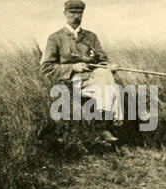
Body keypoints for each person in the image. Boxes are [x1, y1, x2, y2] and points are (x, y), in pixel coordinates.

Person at [41, 0, 123, 143]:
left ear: (82, 13)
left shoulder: (91, 37)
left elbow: (102, 60)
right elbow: (46, 67)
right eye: (72, 12)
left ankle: (100, 125)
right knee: (113, 89)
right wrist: (73, 67)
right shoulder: (55, 38)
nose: (76, 16)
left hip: (94, 78)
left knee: (106, 75)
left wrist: (109, 66)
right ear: (65, 13)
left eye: (79, 12)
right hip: (72, 81)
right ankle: (104, 125)